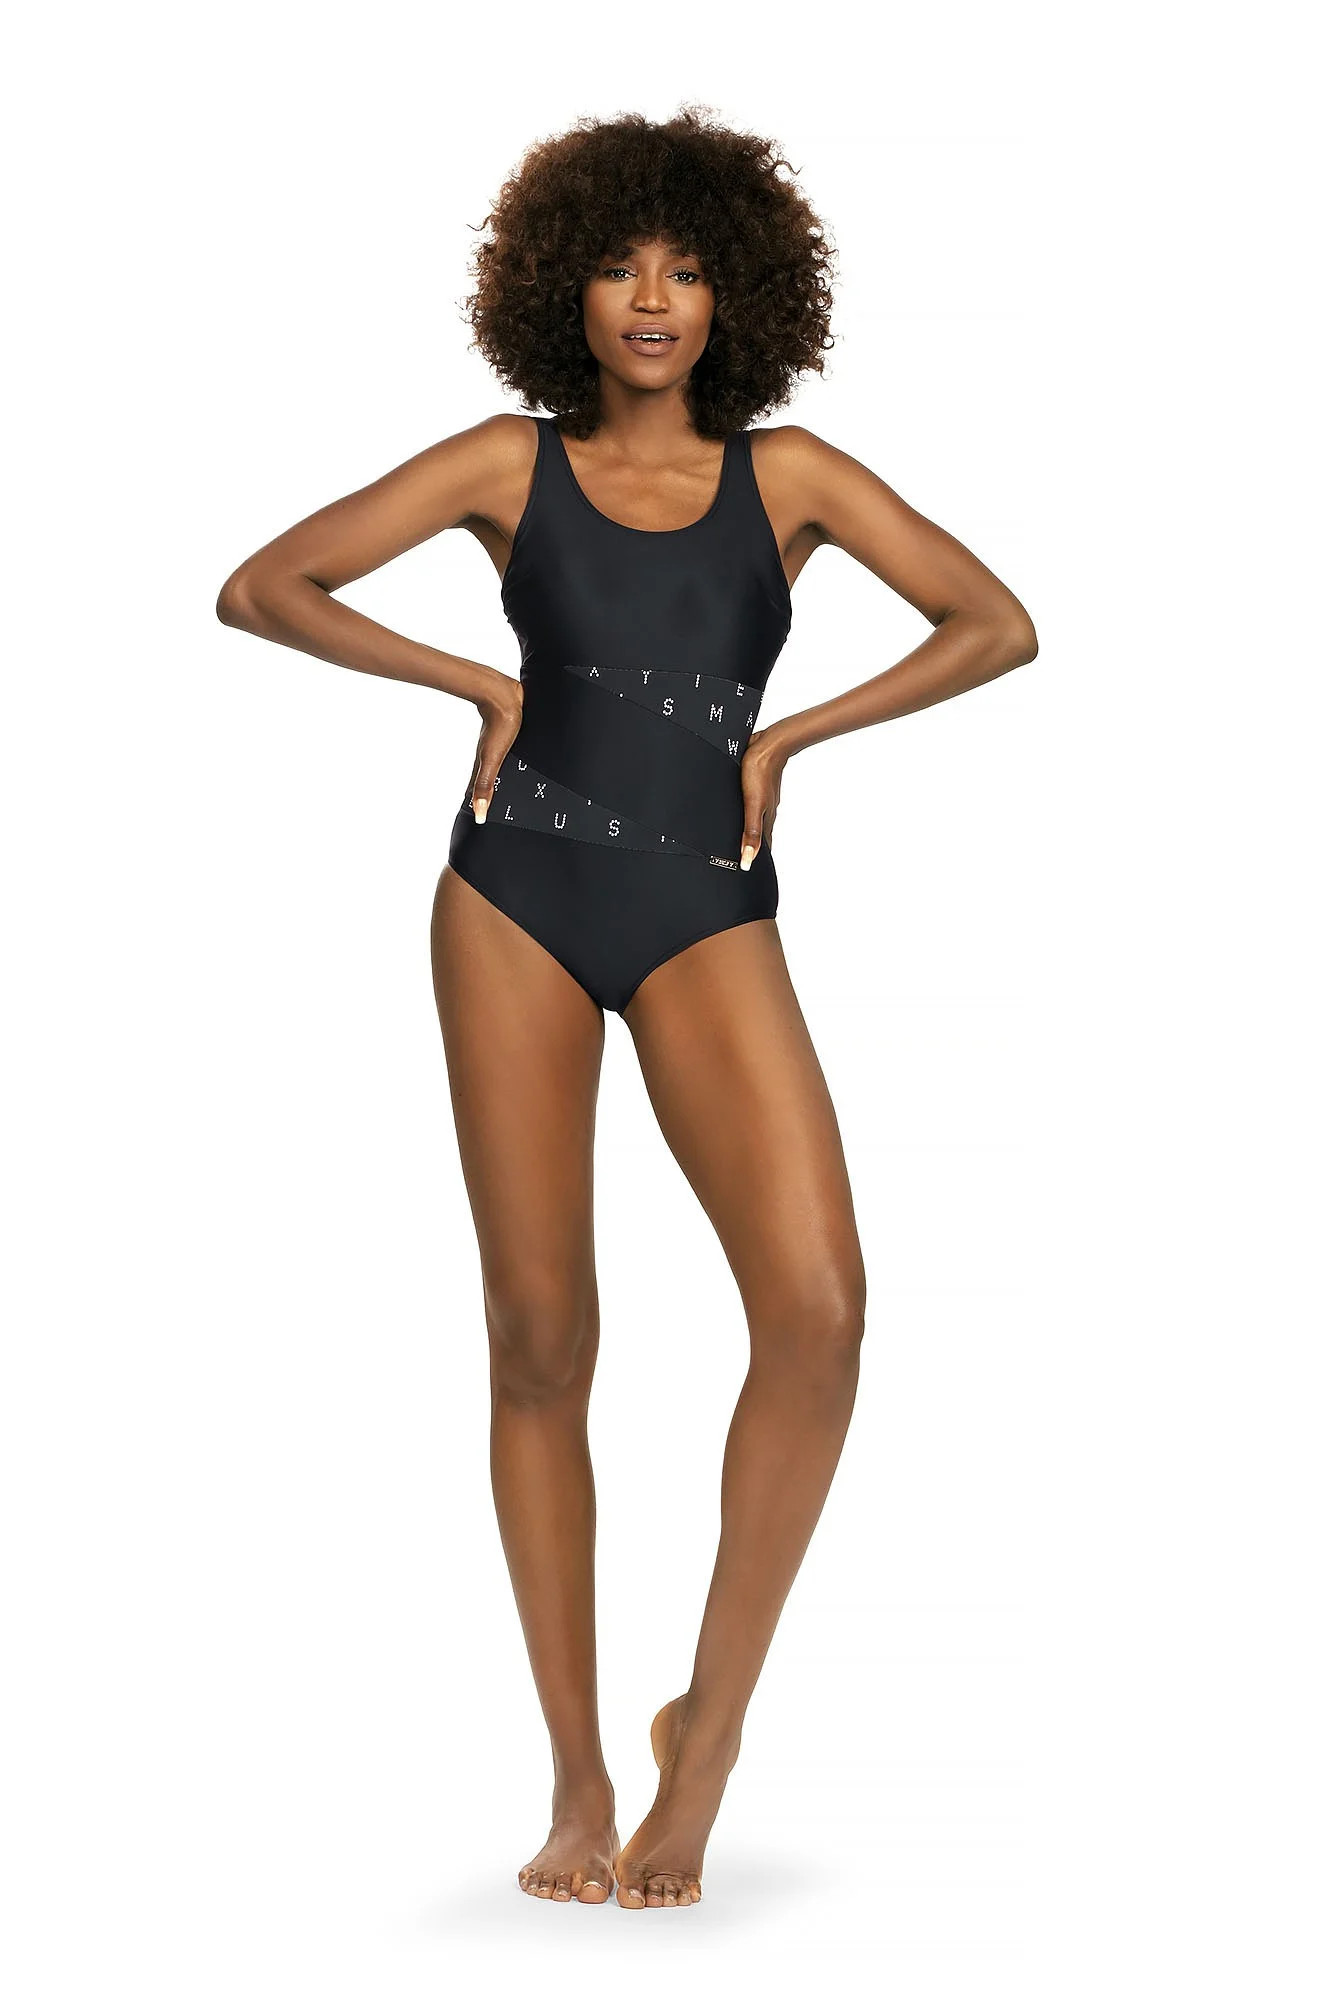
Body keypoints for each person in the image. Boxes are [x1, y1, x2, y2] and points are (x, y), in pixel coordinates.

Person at [216, 105, 1038, 1912]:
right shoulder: (504, 463)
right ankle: (577, 1777)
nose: (651, 299)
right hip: (511, 895)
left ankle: (704, 1737)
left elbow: (993, 623)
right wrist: (471, 684)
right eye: (616, 265)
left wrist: (797, 735)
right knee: (537, 1335)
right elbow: (263, 586)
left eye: (683, 269)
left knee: (818, 1308)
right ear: (560, 290)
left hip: (699, 902)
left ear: (735, 293)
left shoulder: (791, 476)